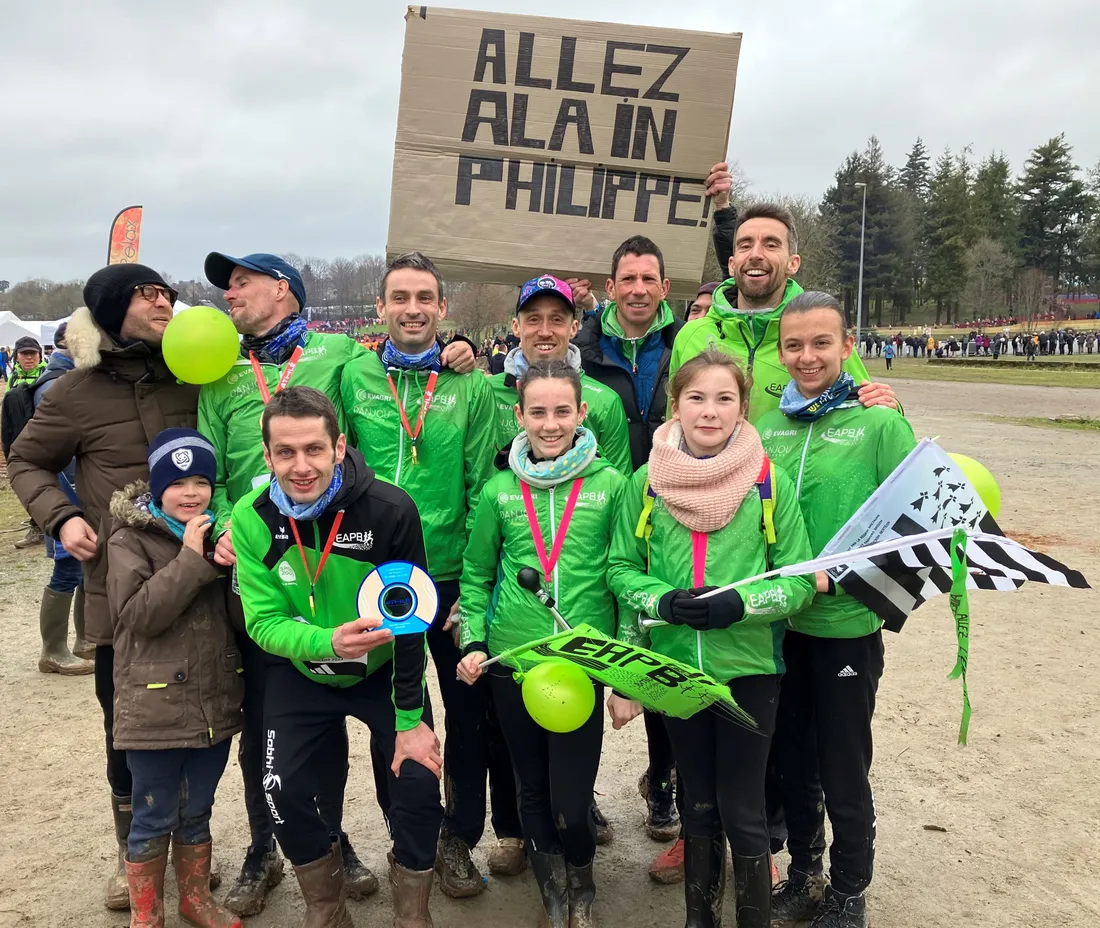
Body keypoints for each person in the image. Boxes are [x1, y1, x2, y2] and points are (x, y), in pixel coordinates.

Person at [7, 264, 199, 911]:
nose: (164, 301)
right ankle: (135, 859)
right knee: (129, 729)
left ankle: (194, 854)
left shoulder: (196, 374)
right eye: (149, 294)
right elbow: (27, 460)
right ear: (115, 308)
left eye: (168, 292)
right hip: (113, 594)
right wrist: (58, 517)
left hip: (199, 585)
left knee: (205, 724)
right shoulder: (73, 392)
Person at [607, 350, 816, 928]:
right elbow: (621, 570)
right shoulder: (642, 482)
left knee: (742, 808)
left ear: (743, 407)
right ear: (675, 405)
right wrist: (662, 601)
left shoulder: (766, 483)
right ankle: (700, 920)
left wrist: (740, 605)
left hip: (750, 669)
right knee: (697, 805)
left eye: (725, 398)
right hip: (676, 673)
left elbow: (799, 579)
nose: (710, 411)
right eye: (696, 398)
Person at [341, 251, 523, 897]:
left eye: (425, 297)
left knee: (467, 715)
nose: (413, 308)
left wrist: (469, 588)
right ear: (382, 305)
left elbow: (480, 485)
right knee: (395, 714)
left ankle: (458, 839)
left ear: (443, 309)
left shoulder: (469, 383)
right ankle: (407, 834)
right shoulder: (352, 371)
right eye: (400, 297)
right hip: (372, 577)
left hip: (445, 576)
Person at [198, 251, 373, 912]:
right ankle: (264, 848)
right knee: (265, 718)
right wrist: (218, 524)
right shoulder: (218, 369)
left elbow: (375, 447)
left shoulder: (342, 354)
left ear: (286, 291)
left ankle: (331, 837)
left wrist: (460, 352)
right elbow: (210, 466)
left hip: (327, 562)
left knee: (324, 714)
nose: (230, 292)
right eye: (227, 285)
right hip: (253, 567)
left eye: (241, 281)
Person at [231, 385, 443, 928]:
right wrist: (327, 643)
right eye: (285, 452)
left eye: (314, 449)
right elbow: (262, 622)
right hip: (303, 670)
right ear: (268, 454)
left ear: (340, 446)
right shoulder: (250, 518)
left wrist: (412, 720)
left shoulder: (391, 509)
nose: (301, 467)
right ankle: (326, 910)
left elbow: (414, 621)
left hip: (382, 670)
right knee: (280, 790)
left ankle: (411, 913)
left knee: (418, 779)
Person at [757, 293, 916, 928]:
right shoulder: (765, 426)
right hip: (778, 626)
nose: (807, 356)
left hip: (846, 628)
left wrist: (840, 581)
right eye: (793, 345)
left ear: (847, 346)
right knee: (792, 758)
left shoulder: (880, 424)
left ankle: (851, 889)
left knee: (842, 761)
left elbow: (913, 527)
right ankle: (805, 871)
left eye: (821, 343)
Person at [457, 360, 626, 928]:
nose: (550, 424)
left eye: (561, 411)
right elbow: (477, 575)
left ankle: (583, 878)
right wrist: (474, 639)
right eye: (538, 412)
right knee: (530, 787)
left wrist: (625, 668)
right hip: (514, 660)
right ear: (519, 415)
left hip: (584, 659)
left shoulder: (610, 485)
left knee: (570, 799)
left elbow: (624, 574)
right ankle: (554, 890)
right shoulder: (499, 490)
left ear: (581, 413)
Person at [573, 236, 687, 859]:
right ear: (610, 287)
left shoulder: (688, 344)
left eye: (650, 278)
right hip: (601, 513)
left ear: (664, 287)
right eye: (628, 279)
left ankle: (663, 782)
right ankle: (579, 788)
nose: (639, 288)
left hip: (675, 511)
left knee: (666, 650)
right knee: (592, 648)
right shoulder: (581, 350)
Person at [106, 428, 245, 928]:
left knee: (198, 808)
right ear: (157, 486)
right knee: (152, 812)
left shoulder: (217, 533)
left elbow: (239, 620)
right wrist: (191, 559)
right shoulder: (128, 540)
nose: (191, 492)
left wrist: (233, 567)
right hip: (155, 709)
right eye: (179, 481)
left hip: (212, 703)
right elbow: (139, 615)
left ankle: (195, 899)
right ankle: (146, 914)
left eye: (202, 481)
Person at [668, 197, 895, 421]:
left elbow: (868, 415)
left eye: (771, 244)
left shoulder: (822, 337)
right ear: (732, 263)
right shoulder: (690, 336)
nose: (756, 255)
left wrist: (890, 408)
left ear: (793, 263)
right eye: (745, 245)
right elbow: (673, 429)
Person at [489, 275, 631, 478]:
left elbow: (619, 491)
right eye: (534, 320)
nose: (545, 331)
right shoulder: (486, 391)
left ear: (573, 328)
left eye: (556, 320)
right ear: (516, 327)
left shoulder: (605, 402)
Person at [32, 322, 93, 675]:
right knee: (67, 569)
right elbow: (58, 453)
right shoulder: (56, 386)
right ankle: (52, 650)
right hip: (64, 494)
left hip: (74, 490)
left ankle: (86, 639)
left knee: (85, 568)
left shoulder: (69, 378)